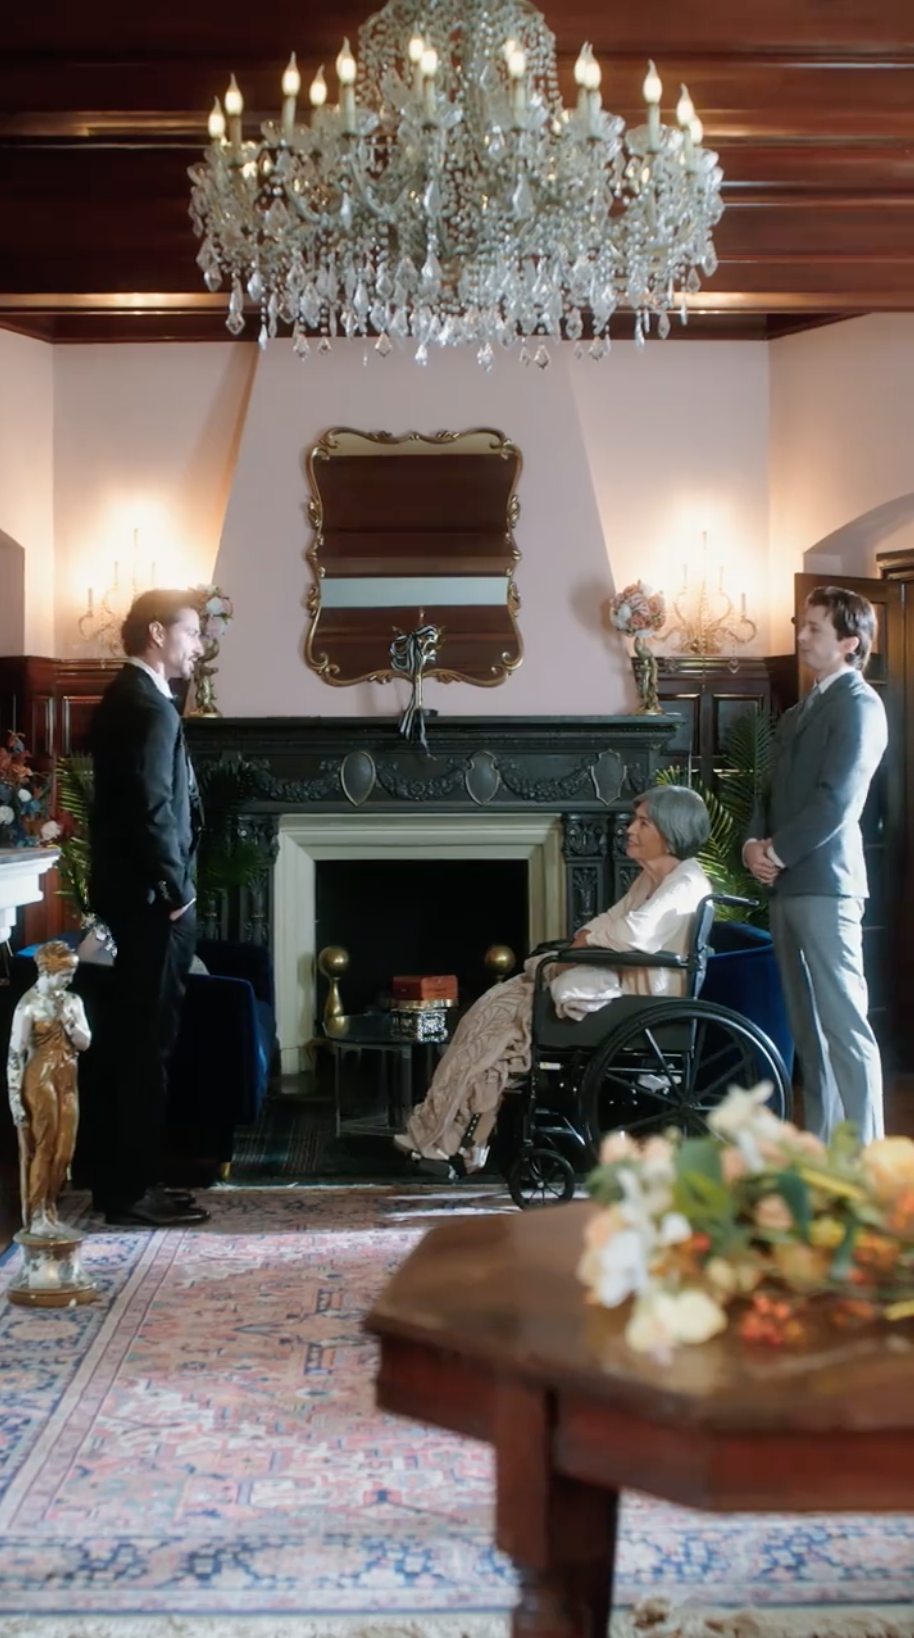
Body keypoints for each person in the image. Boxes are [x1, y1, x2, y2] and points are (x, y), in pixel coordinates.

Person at [394, 786, 712, 1171]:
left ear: (671, 831)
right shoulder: (651, 879)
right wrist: (588, 939)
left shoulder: (684, 884)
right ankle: (444, 1136)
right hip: (620, 986)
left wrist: (587, 942)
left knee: (500, 1032)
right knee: (491, 1013)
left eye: (643, 823)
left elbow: (630, 935)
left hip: (637, 1003)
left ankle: (452, 1141)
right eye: (635, 820)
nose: (629, 829)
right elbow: (606, 923)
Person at [744, 585, 888, 1144]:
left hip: (827, 886)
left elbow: (838, 800)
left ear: (850, 642)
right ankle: (825, 1155)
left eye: (814, 629)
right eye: (800, 625)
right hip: (785, 887)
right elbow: (767, 792)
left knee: (845, 1028)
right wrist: (751, 845)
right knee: (808, 1032)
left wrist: (776, 853)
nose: (801, 637)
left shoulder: (860, 706)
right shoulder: (798, 713)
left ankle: (866, 1160)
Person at [88, 589, 208, 1227]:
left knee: (138, 1042)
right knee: (144, 1047)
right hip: (153, 906)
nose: (199, 646)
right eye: (192, 633)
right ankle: (130, 1192)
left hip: (141, 901)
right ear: (158, 633)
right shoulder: (144, 706)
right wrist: (177, 892)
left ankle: (131, 1182)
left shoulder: (137, 698)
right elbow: (152, 808)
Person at [7, 940, 91, 1235]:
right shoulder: (28, 1005)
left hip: (67, 1074)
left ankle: (50, 1205)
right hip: (40, 1077)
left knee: (65, 1149)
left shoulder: (73, 1002)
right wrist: (14, 1099)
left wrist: (69, 1021)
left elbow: (85, 1042)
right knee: (44, 1146)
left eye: (71, 975)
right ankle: (37, 1213)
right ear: (47, 972)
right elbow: (15, 1054)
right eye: (64, 975)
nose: (69, 981)